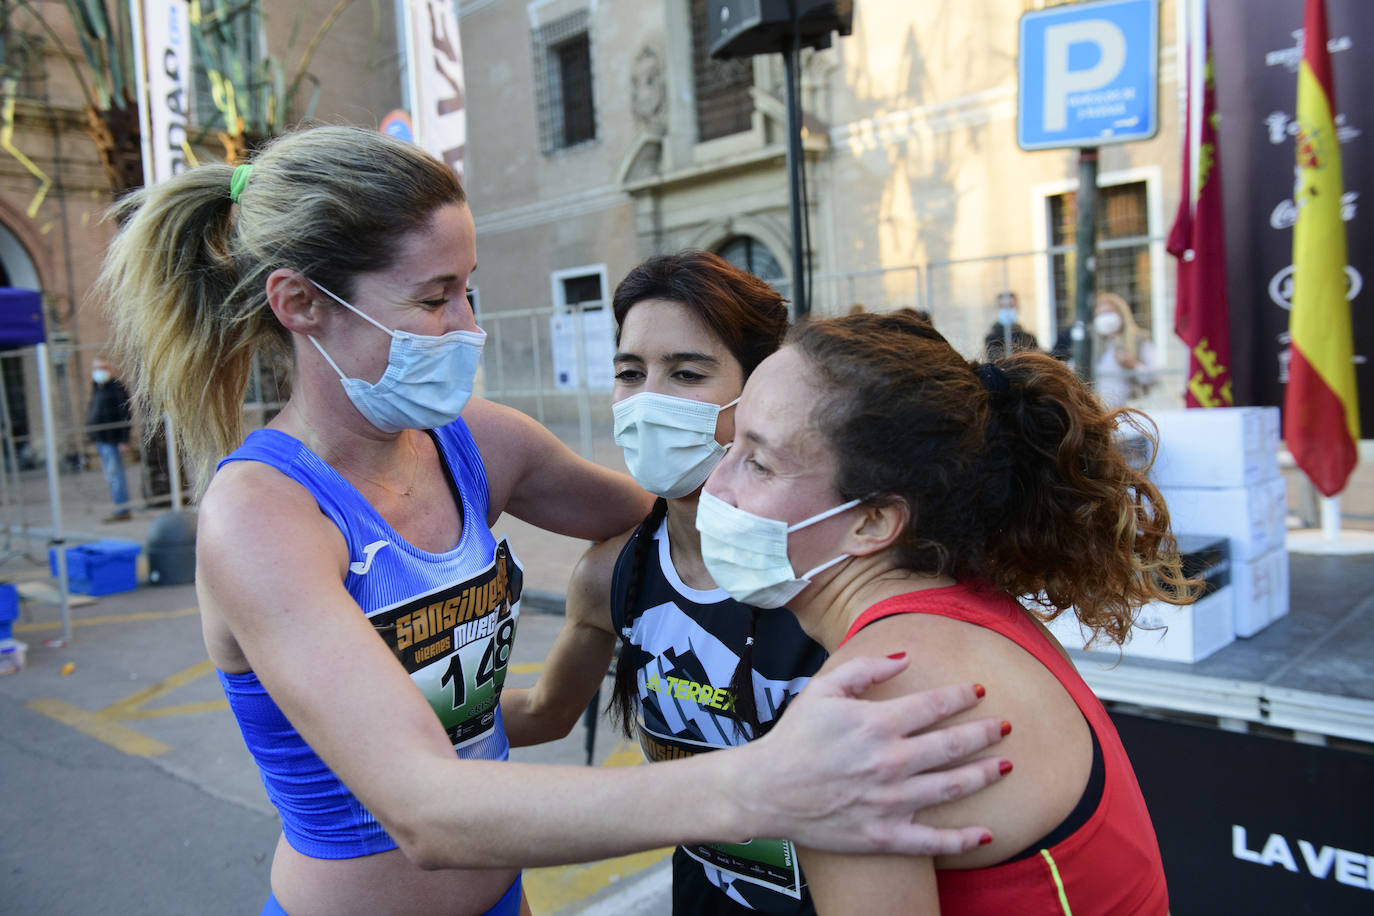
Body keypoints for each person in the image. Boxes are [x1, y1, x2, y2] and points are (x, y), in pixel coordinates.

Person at [94, 126, 1013, 916]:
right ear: (301, 304)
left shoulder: (474, 443)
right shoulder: (260, 516)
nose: (465, 325)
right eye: (431, 297)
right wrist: (764, 785)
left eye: (469, 288)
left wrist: (819, 474)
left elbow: (673, 528)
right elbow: (429, 809)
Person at [698, 310, 1198, 914]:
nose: (713, 486)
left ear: (874, 520)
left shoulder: (871, 701)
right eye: (729, 445)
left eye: (758, 462)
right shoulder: (966, 605)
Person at [502, 251, 827, 915]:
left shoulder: (826, 575)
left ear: (759, 390)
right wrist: (367, 720)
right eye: (630, 372)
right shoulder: (610, 575)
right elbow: (544, 712)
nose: (649, 399)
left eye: (685, 372)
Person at [86, 356, 134, 522]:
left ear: (109, 369)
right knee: (110, 474)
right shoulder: (97, 387)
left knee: (115, 474)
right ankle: (119, 506)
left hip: (113, 439)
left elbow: (125, 414)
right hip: (102, 438)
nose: (99, 371)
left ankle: (122, 509)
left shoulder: (116, 388)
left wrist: (123, 439)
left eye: (103, 367)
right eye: (97, 368)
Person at [1092, 291, 1158, 409]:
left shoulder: (1139, 339)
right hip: (1100, 410)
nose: (1105, 318)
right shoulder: (1092, 346)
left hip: (1132, 408)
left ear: (1121, 315)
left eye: (1109, 313)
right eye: (1100, 314)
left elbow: (1153, 377)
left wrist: (1133, 365)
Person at [983, 292, 1039, 360]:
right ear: (997, 309)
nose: (1007, 310)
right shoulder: (992, 338)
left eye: (1011, 306)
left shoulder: (1029, 337)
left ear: (1017, 307)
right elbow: (996, 358)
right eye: (1003, 306)